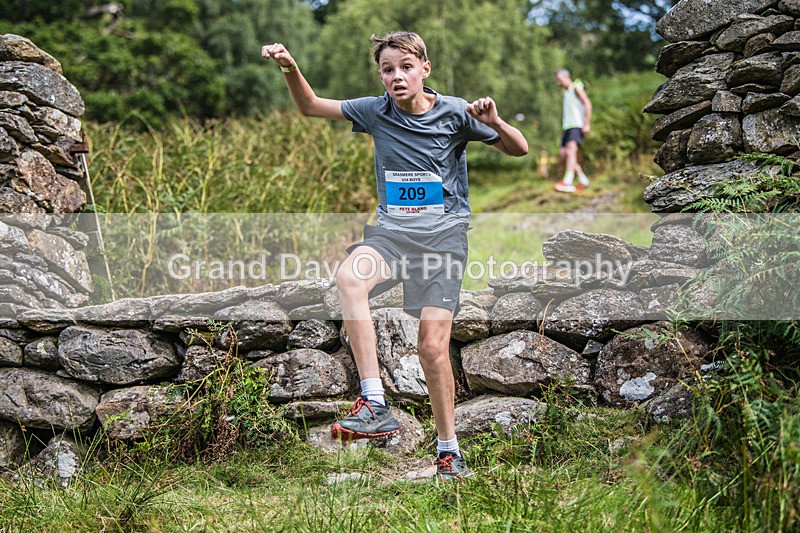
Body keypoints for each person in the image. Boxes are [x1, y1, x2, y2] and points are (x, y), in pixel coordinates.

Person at [261, 32, 528, 480]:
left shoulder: (456, 112)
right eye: (388, 69)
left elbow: (519, 149)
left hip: (443, 241)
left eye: (405, 66)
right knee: (350, 278)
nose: (396, 76)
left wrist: (496, 122)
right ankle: (374, 400)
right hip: (393, 236)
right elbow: (311, 107)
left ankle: (448, 450)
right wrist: (289, 67)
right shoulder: (374, 111)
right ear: (380, 75)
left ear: (425, 68)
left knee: (431, 348)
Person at [553, 68, 592, 193]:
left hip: (577, 125)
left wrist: (586, 123)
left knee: (571, 152)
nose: (558, 83)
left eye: (559, 80)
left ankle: (568, 182)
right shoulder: (566, 93)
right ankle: (583, 179)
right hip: (567, 127)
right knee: (564, 155)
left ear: (566, 77)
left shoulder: (576, 88)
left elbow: (587, 104)